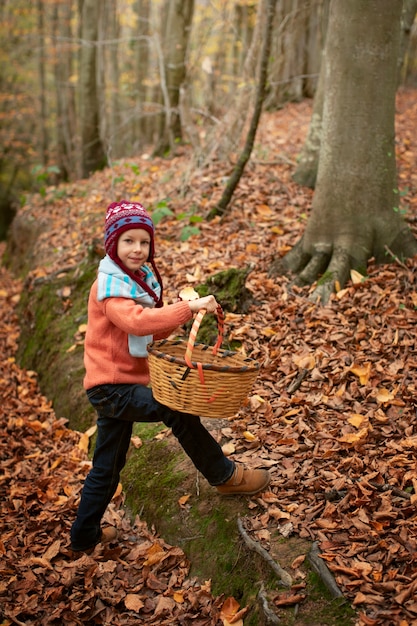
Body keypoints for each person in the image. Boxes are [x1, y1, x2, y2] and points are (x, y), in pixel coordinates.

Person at [70, 200, 270, 554]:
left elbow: (147, 332)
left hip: (124, 386)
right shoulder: (109, 285)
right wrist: (183, 309)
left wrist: (174, 313)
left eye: (144, 242)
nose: (137, 249)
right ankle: (223, 475)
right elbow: (134, 321)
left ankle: (83, 537)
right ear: (113, 244)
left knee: (107, 464)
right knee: (174, 407)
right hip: (111, 388)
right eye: (128, 241)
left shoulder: (137, 280)